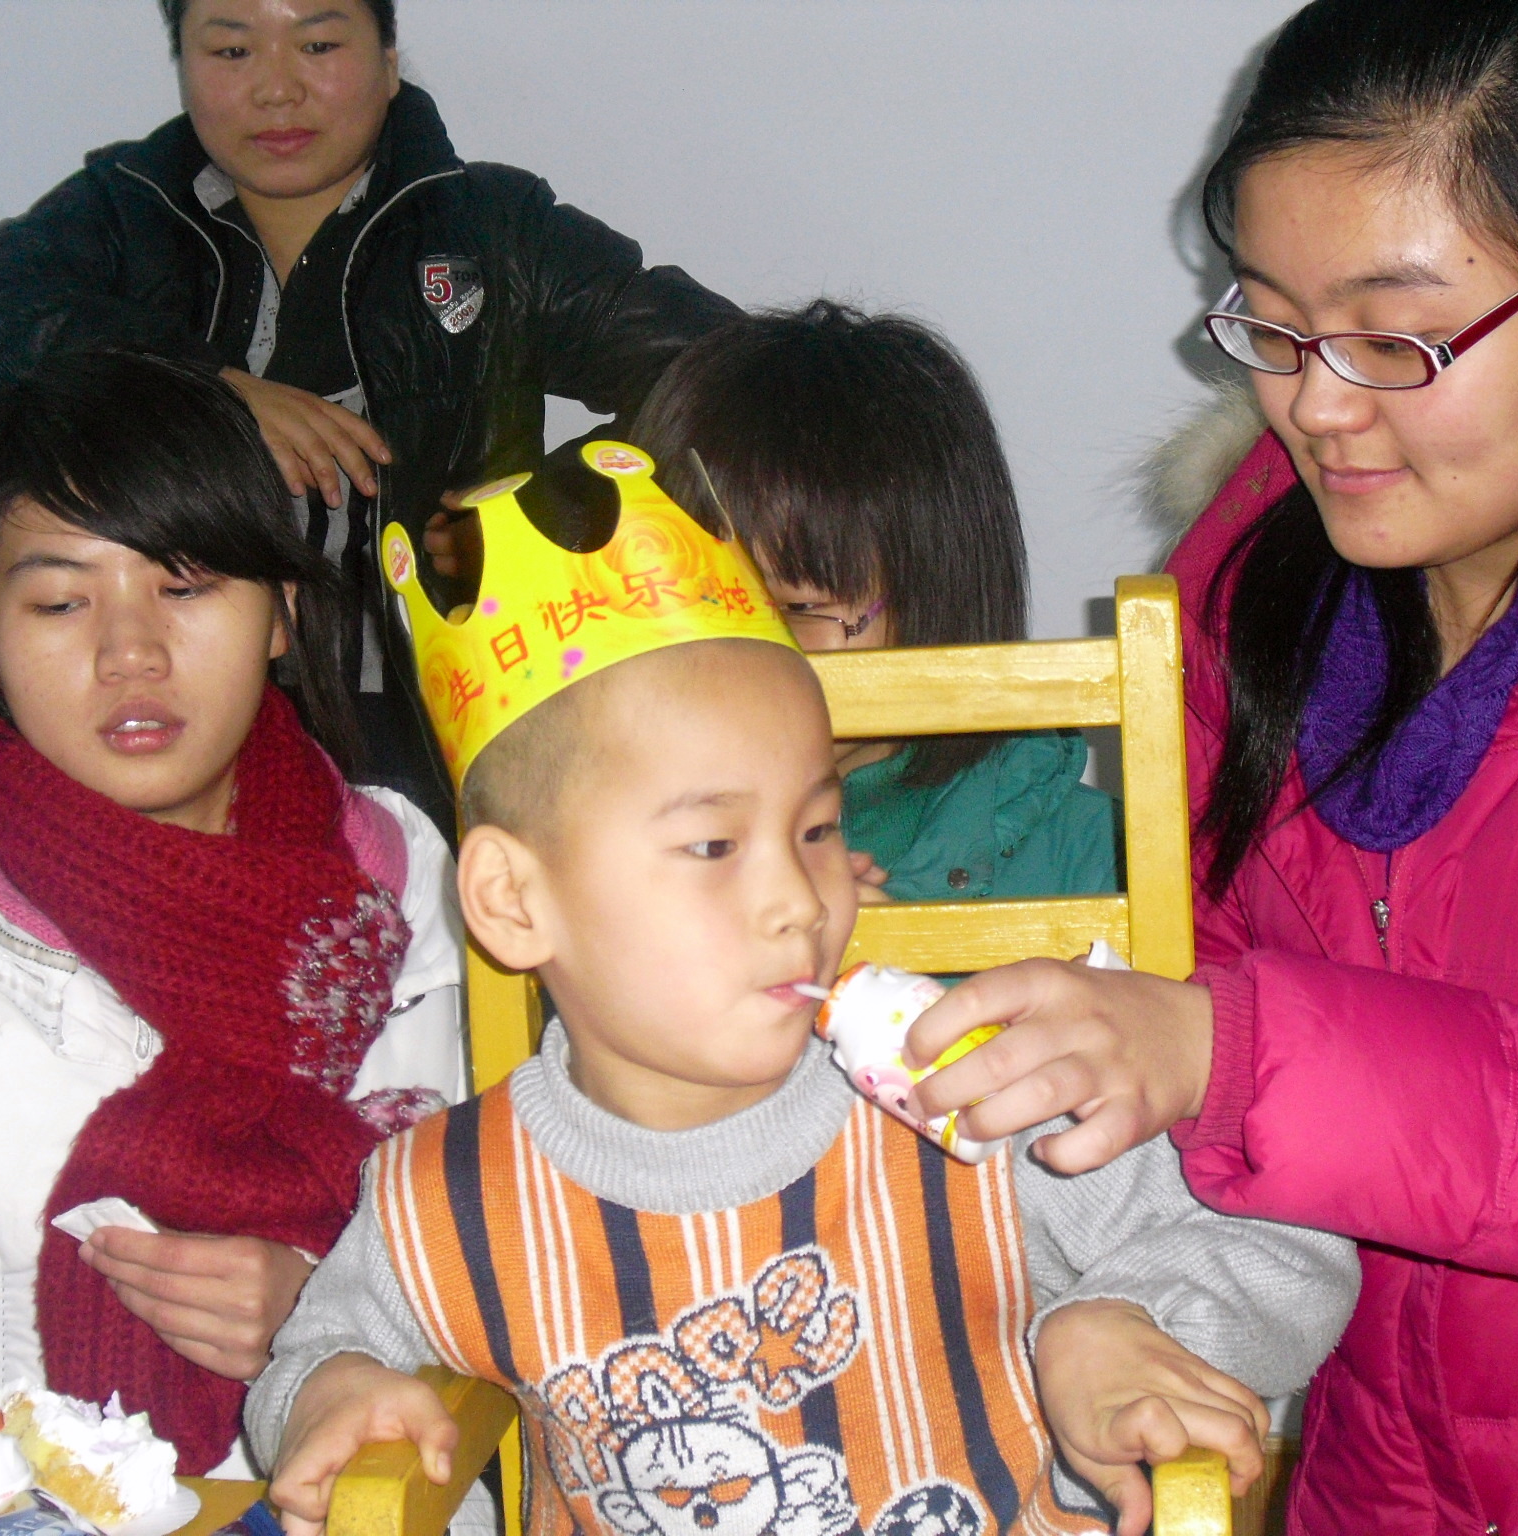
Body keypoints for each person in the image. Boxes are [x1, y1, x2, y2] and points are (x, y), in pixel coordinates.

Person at [900, 1, 1518, 1530]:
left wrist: (1224, 1053)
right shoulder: (1257, 583)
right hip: (1376, 1483)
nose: (1316, 406)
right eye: (1273, 325)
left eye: (1396, 338)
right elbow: (1193, 1034)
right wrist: (1120, 1317)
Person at [242, 453, 1358, 1536]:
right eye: (714, 844)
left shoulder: (959, 1089)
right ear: (512, 900)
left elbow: (1286, 1238)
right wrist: (332, 1395)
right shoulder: (442, 1201)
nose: (798, 898)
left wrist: (1124, 1324)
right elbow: (314, 1357)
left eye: (817, 828)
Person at [0, 352, 465, 1488]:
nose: (130, 653)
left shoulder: (409, 880)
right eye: (62, 602)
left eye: (186, 585)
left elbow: (524, 1226)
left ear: (280, 613)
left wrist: (336, 1319)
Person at [0, 0, 741, 835]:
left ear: (389, 60)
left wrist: (550, 514)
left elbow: (726, 371)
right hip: (182, 712)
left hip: (447, 714)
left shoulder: (494, 228)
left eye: (317, 43)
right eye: (232, 51)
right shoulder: (124, 213)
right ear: (184, 65)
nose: (276, 89)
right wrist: (214, 391)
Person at [633, 302, 1120, 904]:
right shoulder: (604, 855)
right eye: (695, 602)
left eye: (798, 609)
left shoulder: (1107, 864)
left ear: (933, 596)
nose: (738, 647)